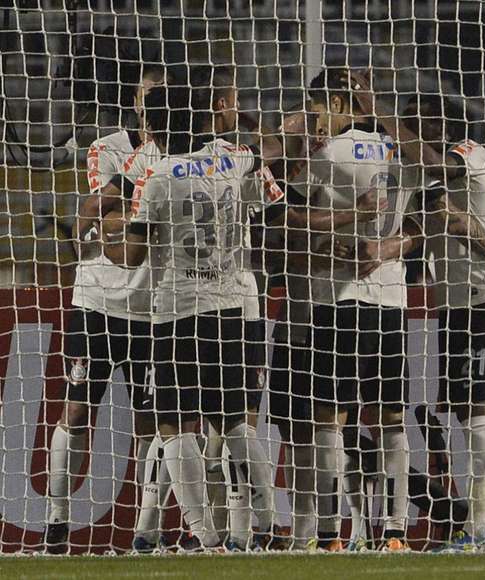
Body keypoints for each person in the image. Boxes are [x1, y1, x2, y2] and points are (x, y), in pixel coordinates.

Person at [108, 71, 283, 551]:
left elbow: (134, 255)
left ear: (160, 131)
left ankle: (206, 537)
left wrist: (108, 239)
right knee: (233, 419)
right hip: (230, 307)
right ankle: (268, 519)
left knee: (175, 423)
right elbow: (271, 200)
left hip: (178, 310)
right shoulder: (235, 159)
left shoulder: (157, 177)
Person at [349, 75, 485, 549]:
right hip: (454, 305)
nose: (405, 130)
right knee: (474, 413)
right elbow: (418, 228)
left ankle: (476, 530)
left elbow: (429, 161)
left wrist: (377, 109)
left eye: (414, 121)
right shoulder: (426, 179)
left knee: (479, 416)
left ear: (438, 123)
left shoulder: (469, 153)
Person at [289, 68, 424, 552]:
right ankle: (394, 532)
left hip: (339, 298)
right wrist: (393, 245)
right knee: (390, 417)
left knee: (329, 417)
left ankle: (329, 535)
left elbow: (291, 216)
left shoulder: (326, 154)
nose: (315, 117)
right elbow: (422, 214)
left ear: (342, 102)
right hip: (391, 300)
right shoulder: (399, 150)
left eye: (319, 106)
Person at [44, 64, 164, 554]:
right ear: (134, 101)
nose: (155, 104)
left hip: (155, 306)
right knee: (77, 408)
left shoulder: (184, 151)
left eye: (163, 96)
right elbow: (100, 213)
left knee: (154, 421)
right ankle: (56, 520)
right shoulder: (108, 147)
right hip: (97, 300)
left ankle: (146, 531)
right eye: (148, 95)